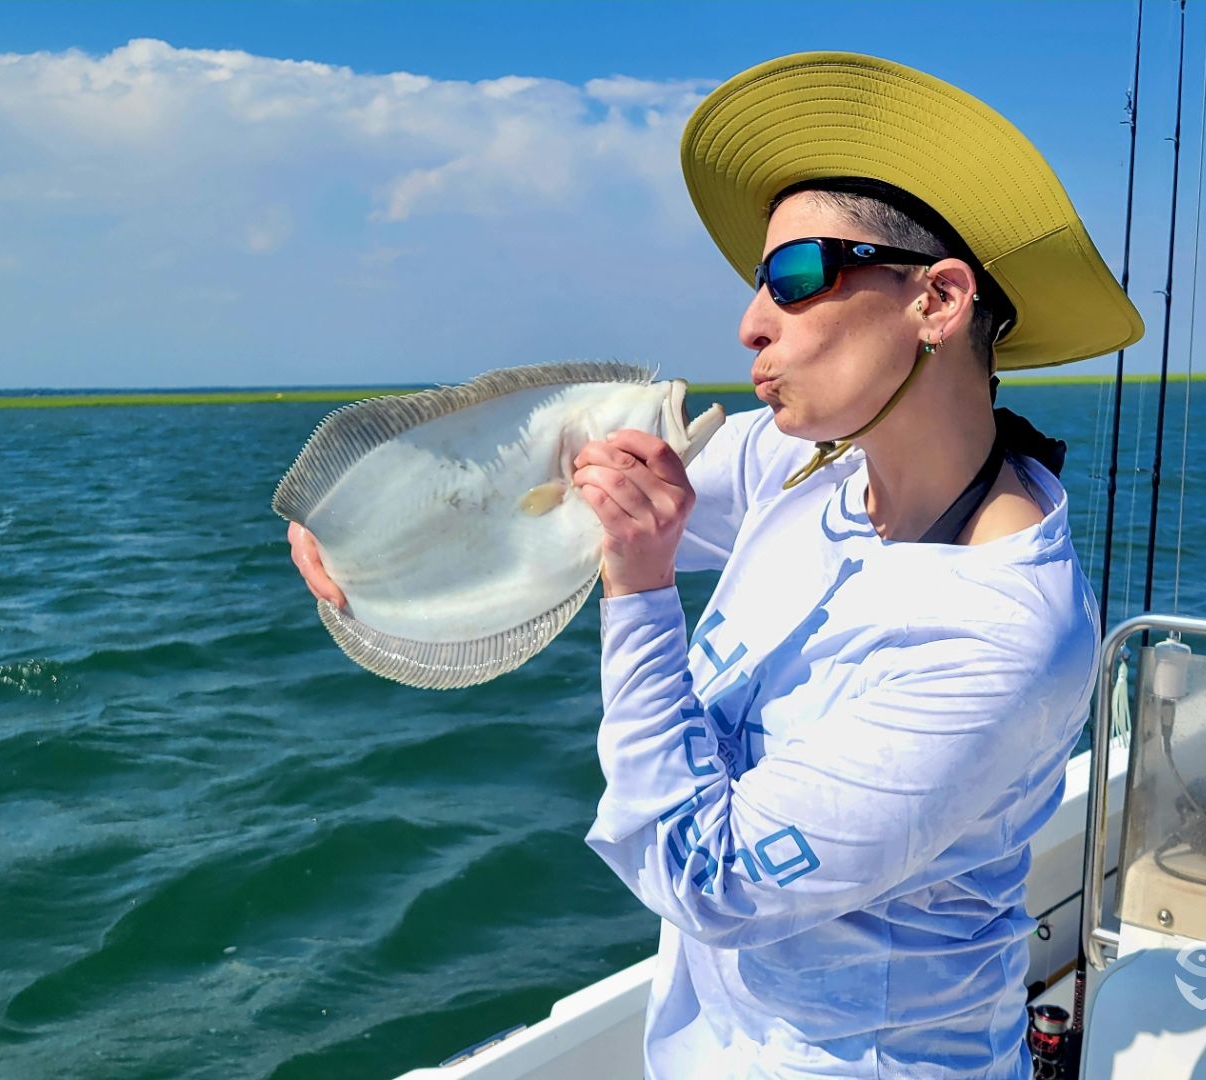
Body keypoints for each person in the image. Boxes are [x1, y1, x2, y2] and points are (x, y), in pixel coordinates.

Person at [290, 52, 1142, 1079]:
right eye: (756, 284)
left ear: (937, 300)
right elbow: (571, 481)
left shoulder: (999, 635)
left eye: (796, 278)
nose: (749, 323)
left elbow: (708, 878)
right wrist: (367, 521)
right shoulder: (810, 464)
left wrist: (641, 592)